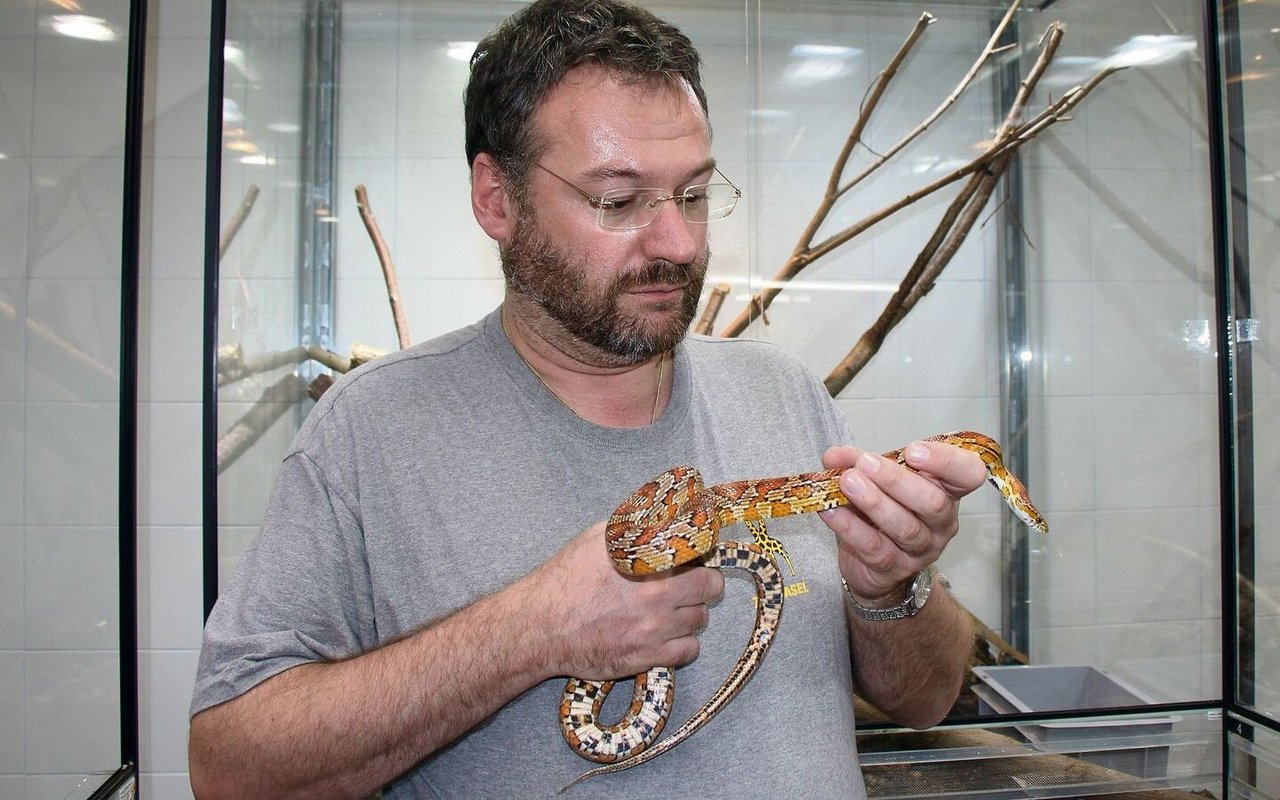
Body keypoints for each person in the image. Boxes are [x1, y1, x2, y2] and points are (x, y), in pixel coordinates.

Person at [187, 1, 984, 797]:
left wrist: (893, 589)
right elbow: (230, 770)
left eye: (695, 194)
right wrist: (532, 633)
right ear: (497, 199)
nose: (678, 243)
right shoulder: (370, 433)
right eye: (617, 200)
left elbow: (925, 697)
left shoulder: (781, 394)